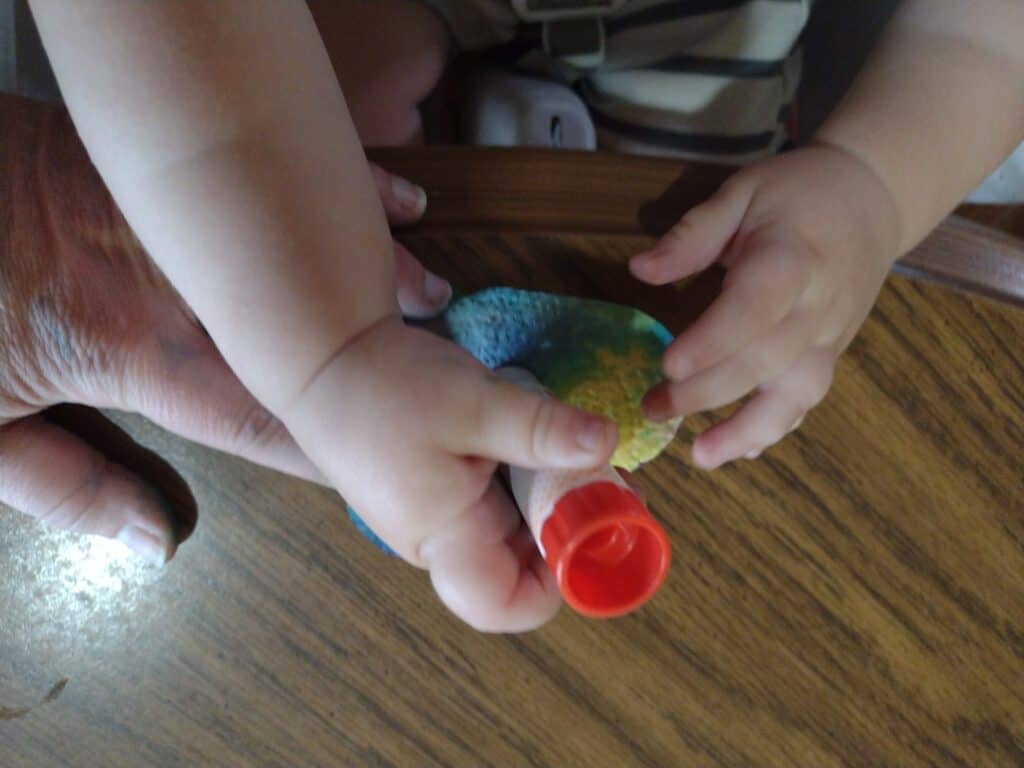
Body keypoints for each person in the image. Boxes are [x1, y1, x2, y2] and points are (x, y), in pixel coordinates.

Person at [3, 0, 1023, 633]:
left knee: (690, 265)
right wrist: (329, 351)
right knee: (324, 202)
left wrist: (873, 179)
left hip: (705, 24)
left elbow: (990, 35)